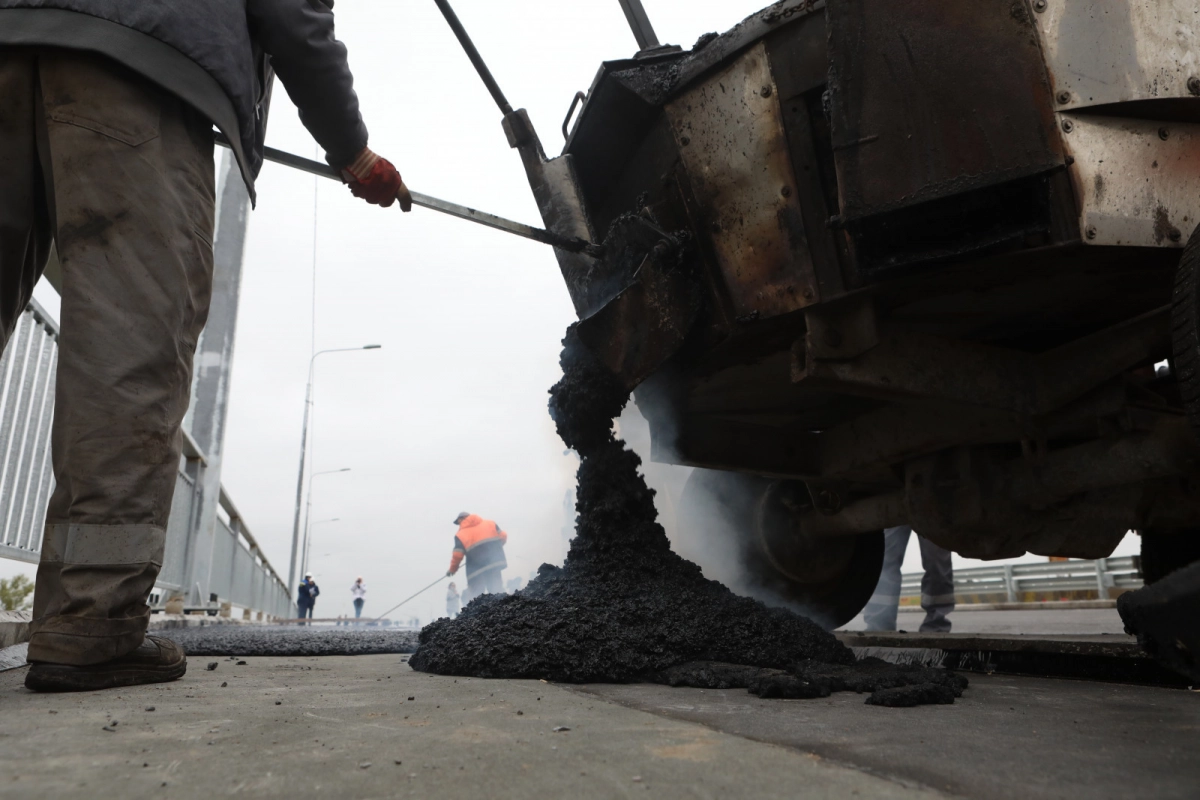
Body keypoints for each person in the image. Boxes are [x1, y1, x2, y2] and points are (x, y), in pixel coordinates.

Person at [4, 1, 409, 693]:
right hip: (133, 66)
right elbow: (292, 14)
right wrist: (355, 152)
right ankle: (89, 622)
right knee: (129, 343)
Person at [863, 526, 955, 633]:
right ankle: (879, 625)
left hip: (931, 510)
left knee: (936, 563)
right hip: (894, 509)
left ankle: (936, 625)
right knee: (883, 559)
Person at [447, 512, 508, 604]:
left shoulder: (461, 534)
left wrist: (452, 569)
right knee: (496, 590)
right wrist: (494, 550)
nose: (459, 524)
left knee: (477, 596)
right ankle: (504, 609)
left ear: (461, 519)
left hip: (476, 570)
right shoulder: (490, 524)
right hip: (494, 564)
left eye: (458, 522)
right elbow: (503, 536)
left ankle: (480, 615)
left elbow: (457, 555)